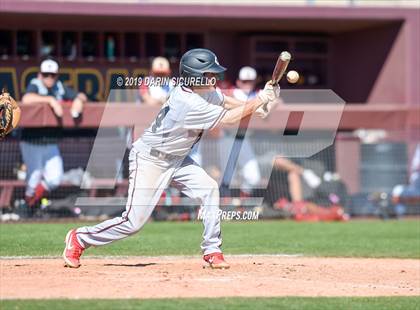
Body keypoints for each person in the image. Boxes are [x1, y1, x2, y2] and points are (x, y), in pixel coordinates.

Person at [63, 48, 279, 269]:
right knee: (133, 222)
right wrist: (258, 100)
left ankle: (212, 249)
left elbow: (224, 101)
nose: (214, 77)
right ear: (194, 75)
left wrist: (259, 107)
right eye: (209, 73)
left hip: (177, 159)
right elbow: (230, 120)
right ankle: (79, 238)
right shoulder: (188, 103)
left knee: (209, 189)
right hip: (150, 160)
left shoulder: (201, 89)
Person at [20, 59, 87, 211]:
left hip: (50, 142)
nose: (49, 78)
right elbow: (26, 98)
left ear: (56, 76)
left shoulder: (59, 87)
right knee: (34, 176)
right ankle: (27, 208)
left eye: (52, 75)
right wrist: (50, 100)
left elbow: (81, 95)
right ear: (40, 74)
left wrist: (78, 100)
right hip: (32, 140)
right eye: (46, 75)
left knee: (55, 178)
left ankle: (32, 203)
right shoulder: (35, 84)